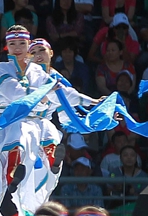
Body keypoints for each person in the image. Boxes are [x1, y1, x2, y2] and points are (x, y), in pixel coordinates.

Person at [0, 27, 56, 216]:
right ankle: (12, 175)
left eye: (22, 43)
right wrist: (44, 91)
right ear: (6, 46)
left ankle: (17, 179)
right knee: (1, 180)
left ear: (29, 45)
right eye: (12, 43)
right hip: (6, 124)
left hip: (30, 128)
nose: (17, 48)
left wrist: (91, 103)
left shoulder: (38, 72)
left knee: (26, 183)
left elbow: (62, 95)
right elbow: (15, 94)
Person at [27, 38, 99, 206]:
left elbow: (67, 98)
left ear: (51, 53)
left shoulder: (56, 77)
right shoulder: (26, 75)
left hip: (44, 125)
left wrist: (94, 103)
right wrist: (91, 101)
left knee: (47, 173)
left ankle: (51, 173)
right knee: (29, 170)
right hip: (24, 124)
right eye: (33, 52)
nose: (38, 55)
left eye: (41, 51)